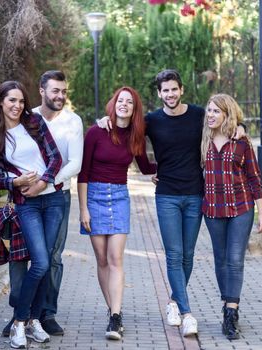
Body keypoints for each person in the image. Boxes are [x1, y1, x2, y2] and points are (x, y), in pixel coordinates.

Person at [97, 69, 246, 337]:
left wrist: (241, 127)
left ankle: (174, 303)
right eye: (165, 90)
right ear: (159, 93)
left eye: (174, 89)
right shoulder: (152, 121)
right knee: (174, 254)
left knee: (187, 255)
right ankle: (187, 313)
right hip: (166, 195)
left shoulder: (199, 115)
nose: (170, 94)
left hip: (195, 194)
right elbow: (127, 128)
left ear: (182, 90)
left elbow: (224, 119)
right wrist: (104, 121)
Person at [2, 71, 83, 338]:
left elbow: (74, 163)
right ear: (41, 90)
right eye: (55, 91)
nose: (60, 96)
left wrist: (43, 185)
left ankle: (45, 314)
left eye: (63, 91)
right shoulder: (27, 117)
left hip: (57, 196)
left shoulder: (73, 121)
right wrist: (20, 186)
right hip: (24, 199)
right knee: (21, 259)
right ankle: (20, 315)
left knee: (52, 258)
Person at [0, 80, 65, 348]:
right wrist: (16, 183)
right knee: (40, 263)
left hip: (52, 200)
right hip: (26, 204)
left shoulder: (34, 124)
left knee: (46, 263)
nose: (17, 106)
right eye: (12, 101)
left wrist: (43, 182)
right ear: (0, 102)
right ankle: (21, 322)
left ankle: (32, 321)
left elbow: (55, 158)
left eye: (21, 101)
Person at [78, 87, 157, 340]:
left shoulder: (136, 136)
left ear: (134, 110)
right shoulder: (96, 132)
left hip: (120, 197)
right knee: (101, 259)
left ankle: (115, 317)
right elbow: (84, 173)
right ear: (114, 104)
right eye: (120, 100)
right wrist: (83, 209)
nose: (124, 105)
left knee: (115, 258)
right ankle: (112, 309)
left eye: (129, 102)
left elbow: (145, 166)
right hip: (94, 198)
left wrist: (173, 166)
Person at [200, 93, 262, 340]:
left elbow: (254, 177)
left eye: (216, 111)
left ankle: (231, 313)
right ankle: (227, 301)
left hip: (241, 208)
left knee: (235, 260)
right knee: (221, 260)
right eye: (209, 110)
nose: (210, 115)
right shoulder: (203, 139)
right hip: (213, 210)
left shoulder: (242, 141)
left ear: (227, 114)